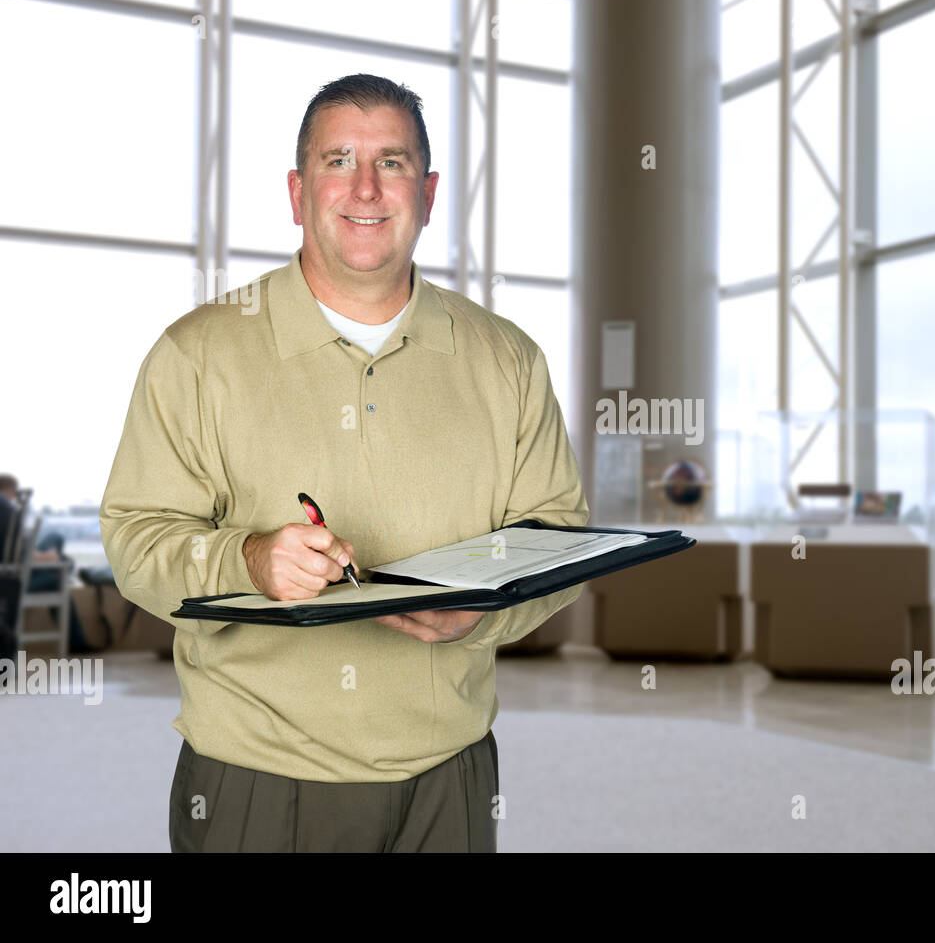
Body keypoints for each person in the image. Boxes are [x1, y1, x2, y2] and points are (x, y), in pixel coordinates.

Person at [99, 74, 589, 853]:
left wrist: (484, 609)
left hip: (450, 780)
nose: (366, 187)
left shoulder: (510, 361)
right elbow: (134, 540)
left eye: (392, 163)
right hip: (258, 781)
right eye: (339, 161)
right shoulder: (196, 353)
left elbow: (560, 536)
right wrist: (248, 558)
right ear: (298, 193)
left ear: (427, 193)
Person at [0, 473, 91, 655]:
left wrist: (44, 556)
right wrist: (46, 558)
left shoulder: (7, 510)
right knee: (57, 576)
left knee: (54, 538)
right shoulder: (7, 509)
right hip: (14, 582)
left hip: (18, 571)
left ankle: (63, 562)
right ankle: (77, 642)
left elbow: (17, 552)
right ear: (10, 491)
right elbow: (16, 555)